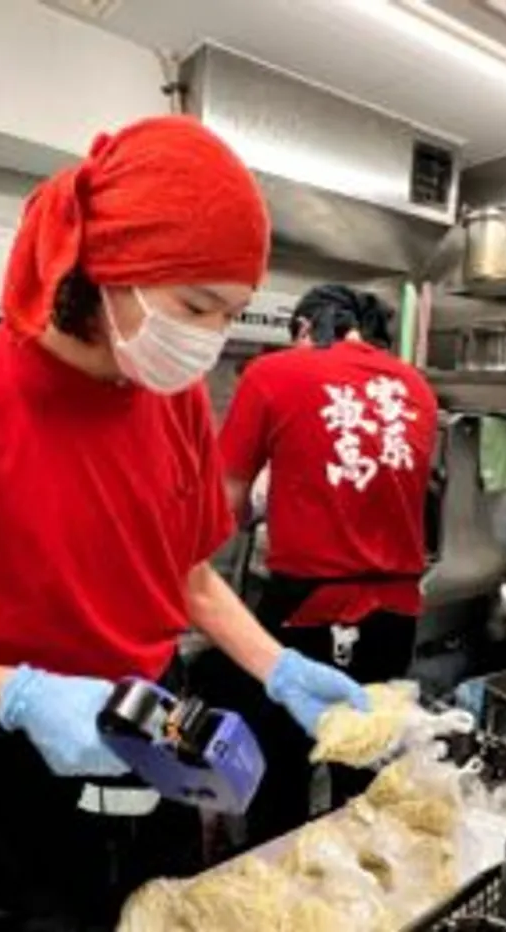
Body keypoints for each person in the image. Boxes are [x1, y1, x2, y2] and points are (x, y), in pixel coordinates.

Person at [0, 116, 369, 931]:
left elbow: (189, 576)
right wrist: (20, 695)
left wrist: (277, 667)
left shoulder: (175, 401)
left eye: (230, 315)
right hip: (24, 769)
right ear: (108, 268)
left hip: (163, 741)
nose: (210, 340)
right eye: (196, 306)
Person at [201, 284, 439, 848]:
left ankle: (283, 883)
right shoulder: (416, 386)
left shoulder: (272, 373)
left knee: (282, 768)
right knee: (366, 765)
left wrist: (258, 507)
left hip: (306, 614)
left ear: (306, 328)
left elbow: (223, 506)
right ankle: (359, 877)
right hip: (395, 616)